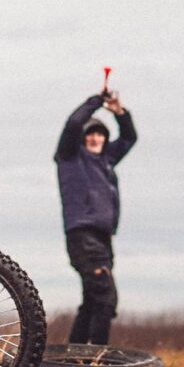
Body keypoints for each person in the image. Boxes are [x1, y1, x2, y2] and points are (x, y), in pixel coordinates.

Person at [54, 88, 137, 345]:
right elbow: (73, 123)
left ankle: (75, 355)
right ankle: (98, 356)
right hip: (83, 235)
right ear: (83, 137)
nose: (95, 138)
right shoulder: (70, 157)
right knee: (106, 298)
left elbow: (129, 137)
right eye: (90, 133)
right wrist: (97, 102)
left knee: (92, 300)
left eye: (100, 133)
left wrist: (119, 112)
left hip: (102, 237)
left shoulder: (106, 160)